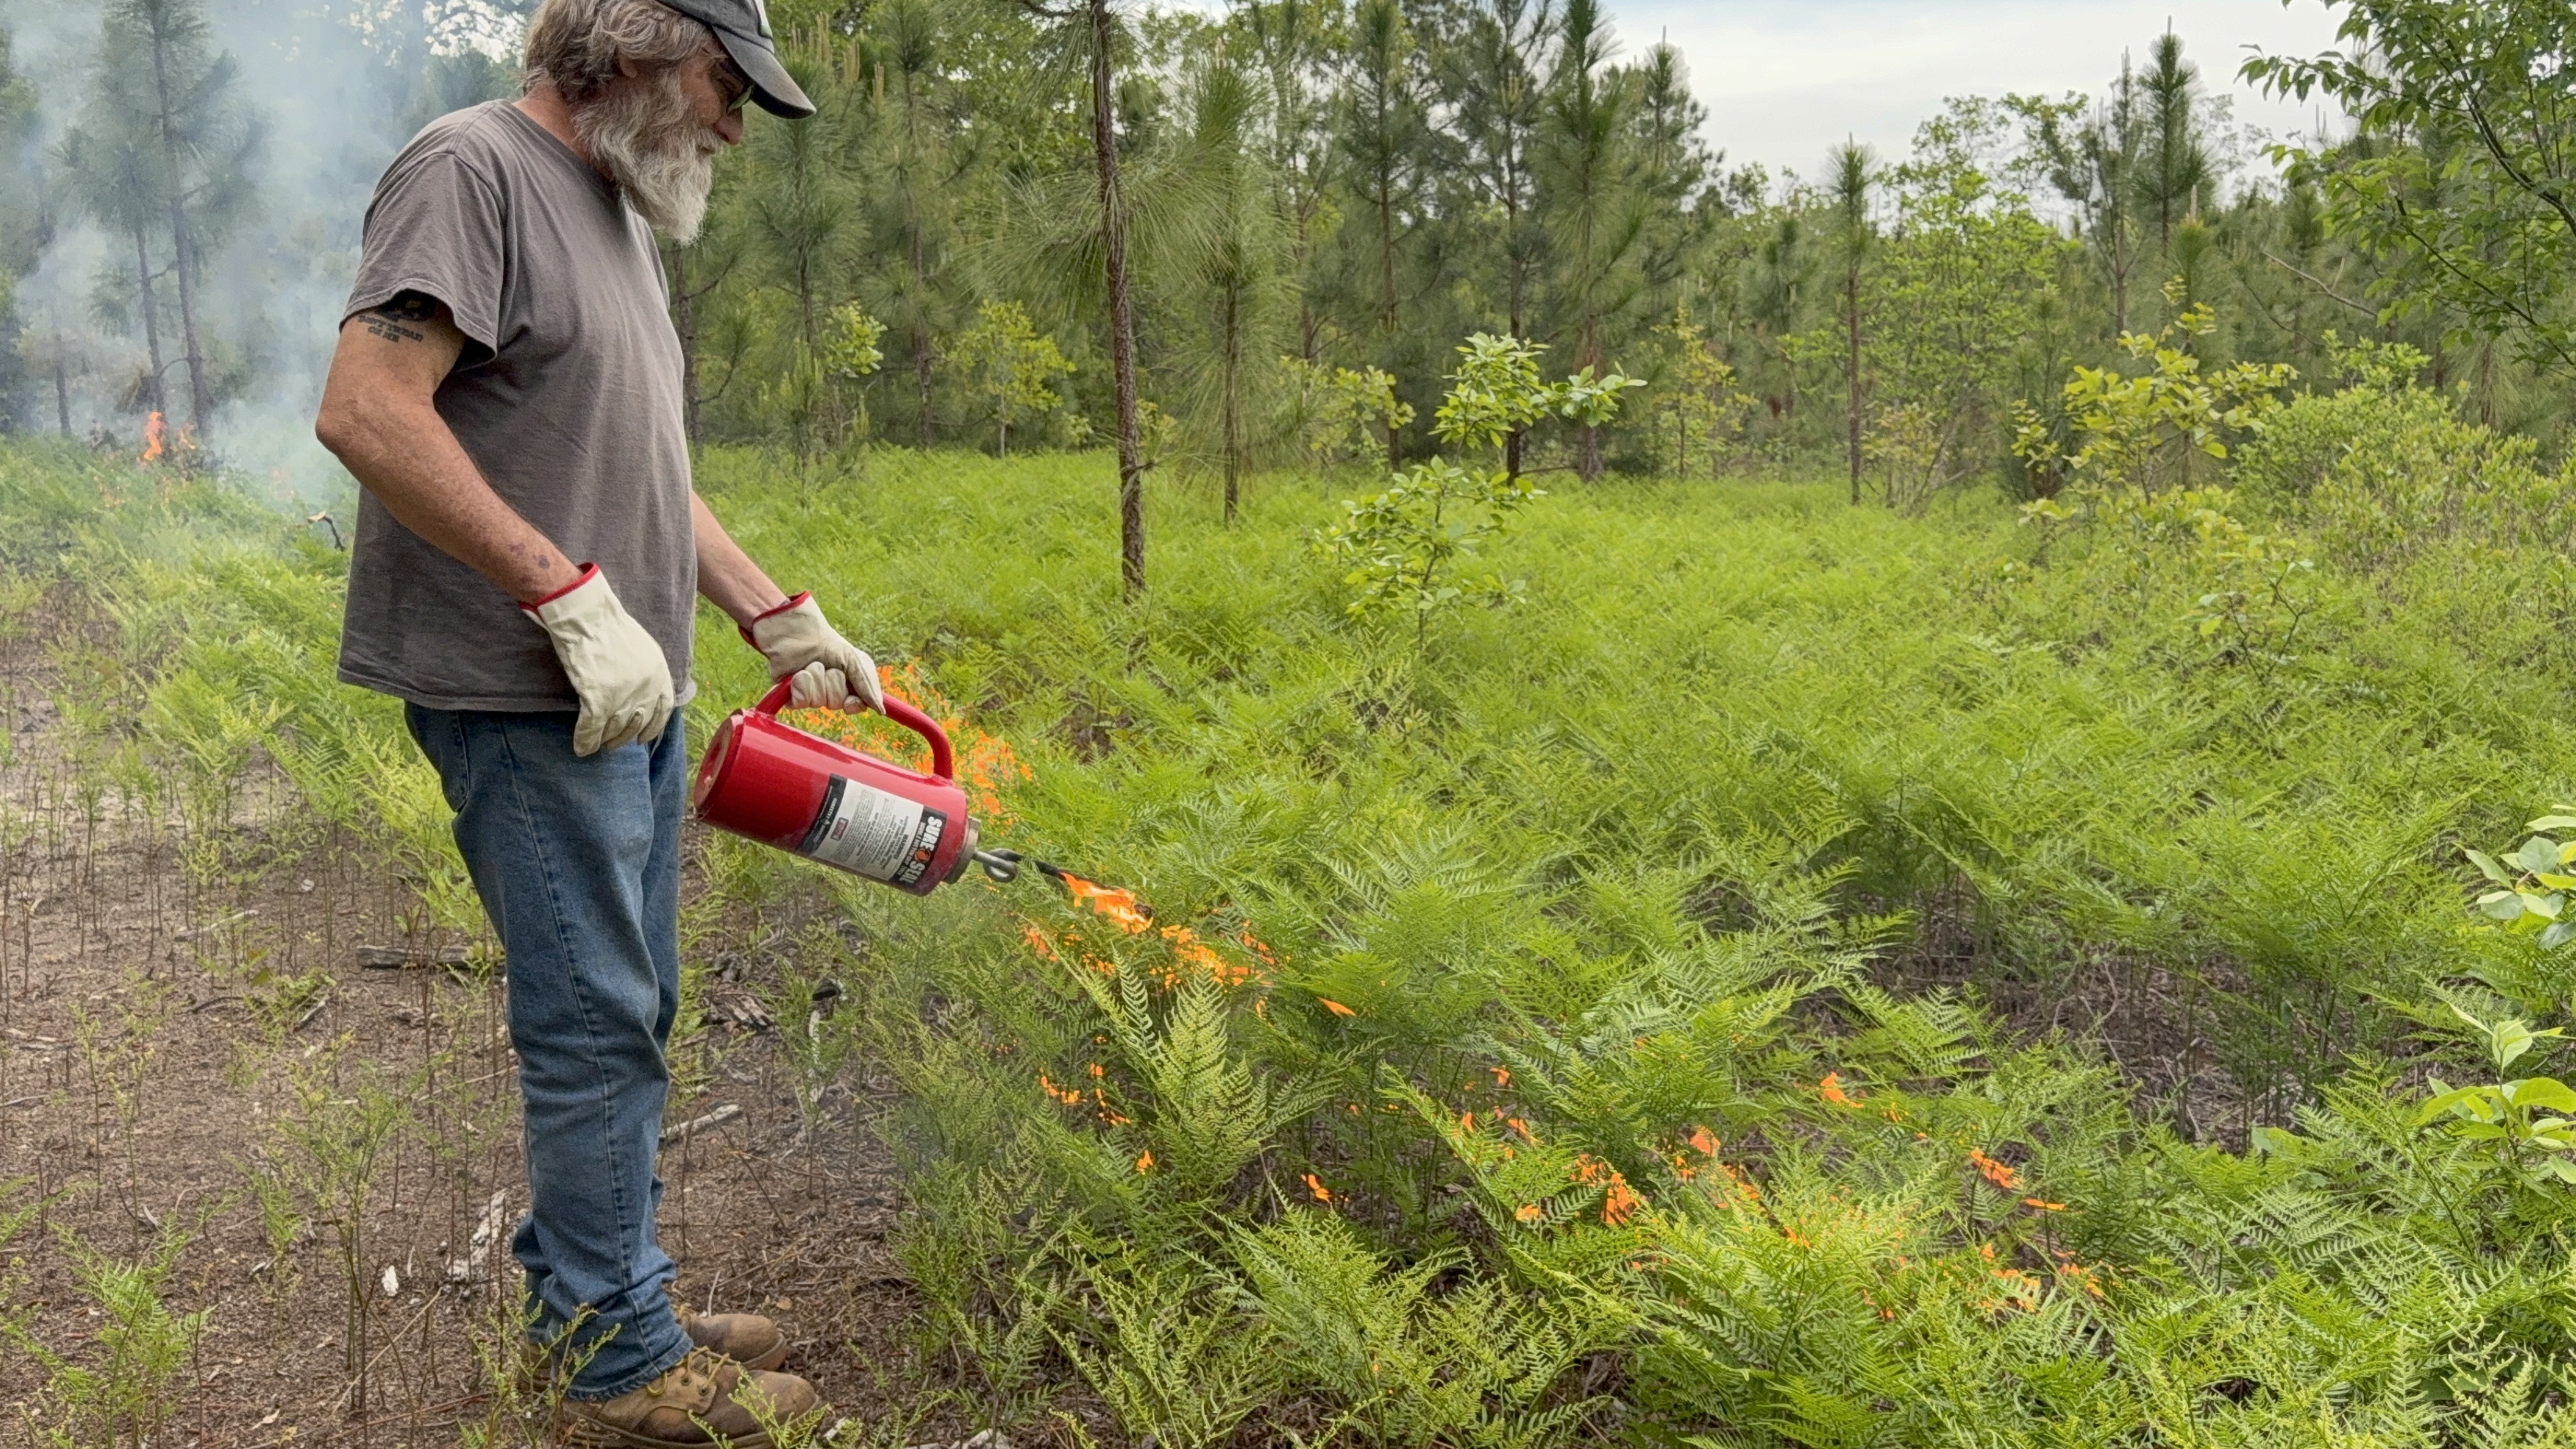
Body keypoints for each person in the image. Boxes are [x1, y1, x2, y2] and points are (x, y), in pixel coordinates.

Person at [314, 1, 873, 1441]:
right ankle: (614, 1355)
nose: (736, 122)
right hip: (525, 695)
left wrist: (771, 614)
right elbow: (370, 410)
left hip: (631, 688)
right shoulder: (473, 171)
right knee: (592, 1019)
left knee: (632, 1010)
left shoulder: (610, 210)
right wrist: (558, 593)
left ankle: (604, 1287)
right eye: (719, 82)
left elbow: (634, 462)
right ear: (619, 53)